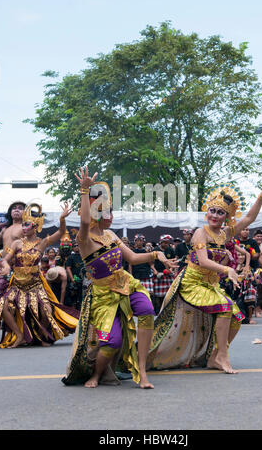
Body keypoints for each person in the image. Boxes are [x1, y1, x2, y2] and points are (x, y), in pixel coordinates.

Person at [147, 179, 262, 374]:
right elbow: (202, 261)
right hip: (192, 283)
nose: (215, 215)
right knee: (226, 308)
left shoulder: (225, 233)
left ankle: (216, 356)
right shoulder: (201, 233)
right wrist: (227, 270)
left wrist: (261, 195)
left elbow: (249, 218)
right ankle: (223, 358)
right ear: (207, 212)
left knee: (236, 317)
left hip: (210, 284)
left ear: (226, 217)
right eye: (212, 211)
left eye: (220, 212)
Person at [62, 167, 177, 389]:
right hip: (103, 295)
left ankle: (142, 370)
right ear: (96, 214)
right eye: (105, 212)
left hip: (126, 284)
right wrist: (85, 190)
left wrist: (156, 255)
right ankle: (97, 374)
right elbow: (84, 222)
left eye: (111, 211)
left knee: (146, 311)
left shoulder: (112, 235)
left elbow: (132, 258)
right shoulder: (84, 239)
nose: (110, 216)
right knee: (111, 342)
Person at [0, 202, 79, 348]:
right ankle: (19, 335)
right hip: (17, 285)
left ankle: (41, 335)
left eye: (27, 225)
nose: (24, 228)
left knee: (47, 311)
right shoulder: (17, 244)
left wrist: (62, 219)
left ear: (36, 227)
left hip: (35, 285)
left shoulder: (43, 243)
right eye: (23, 225)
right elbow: (5, 260)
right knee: (3, 306)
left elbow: (60, 232)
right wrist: (7, 266)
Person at [152, 234, 176, 315]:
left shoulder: (170, 250)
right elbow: (151, 263)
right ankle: (157, 310)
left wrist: (171, 270)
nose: (166, 244)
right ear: (161, 242)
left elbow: (173, 261)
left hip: (168, 275)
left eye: (167, 243)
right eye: (164, 242)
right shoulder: (155, 250)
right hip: (157, 275)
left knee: (168, 294)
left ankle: (166, 310)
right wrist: (155, 271)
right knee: (157, 295)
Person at [253, 229, 262, 316]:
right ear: (254, 237)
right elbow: (258, 259)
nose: (259, 237)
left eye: (261, 236)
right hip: (257, 269)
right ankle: (257, 309)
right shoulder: (253, 245)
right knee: (258, 288)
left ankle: (259, 308)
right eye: (257, 236)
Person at [65, 241, 84, 309]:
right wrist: (72, 278)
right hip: (75, 280)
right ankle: (74, 312)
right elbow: (68, 268)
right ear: (72, 248)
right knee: (73, 296)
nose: (76, 247)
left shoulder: (84, 255)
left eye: (77, 245)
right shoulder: (71, 257)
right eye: (75, 246)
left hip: (84, 280)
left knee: (82, 296)